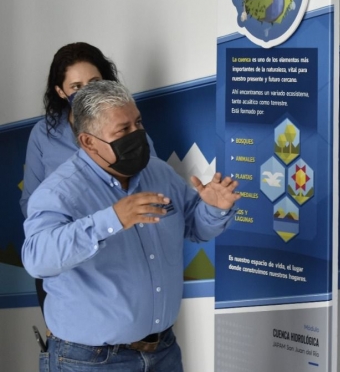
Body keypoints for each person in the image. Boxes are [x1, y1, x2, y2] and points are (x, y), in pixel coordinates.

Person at [22, 80, 240, 372]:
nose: (137, 135)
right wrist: (110, 220)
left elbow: (196, 228)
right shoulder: (59, 192)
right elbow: (37, 259)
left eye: (138, 123)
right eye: (123, 130)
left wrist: (214, 208)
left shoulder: (159, 172)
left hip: (163, 352)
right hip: (90, 361)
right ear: (88, 141)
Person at [20, 42, 157, 312]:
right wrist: (88, 226)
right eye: (76, 86)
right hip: (71, 261)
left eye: (94, 82)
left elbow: (152, 183)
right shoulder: (43, 134)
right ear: (60, 91)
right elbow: (31, 202)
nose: (87, 92)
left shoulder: (129, 128)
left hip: (128, 256)